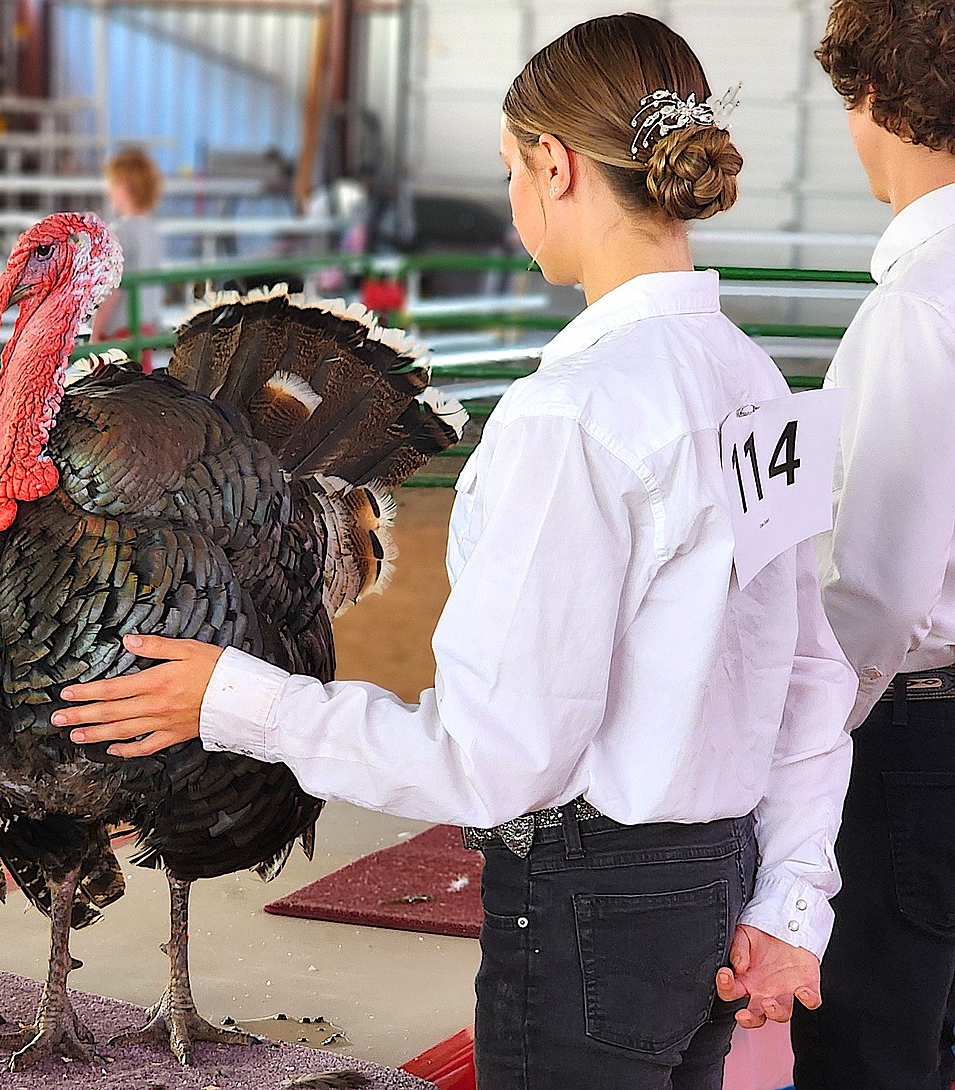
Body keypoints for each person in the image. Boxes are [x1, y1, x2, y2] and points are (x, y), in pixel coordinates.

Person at [53, 15, 857, 1089]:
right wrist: (786, 899)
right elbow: (811, 675)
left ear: (556, 166)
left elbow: (494, 759)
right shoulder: (758, 381)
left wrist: (238, 701)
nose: (516, 202)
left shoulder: (567, 418)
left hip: (592, 914)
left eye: (510, 171)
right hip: (714, 887)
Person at [787, 3, 955, 1088]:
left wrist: (799, 743)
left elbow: (878, 601)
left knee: (871, 1048)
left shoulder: (918, 309)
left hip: (914, 739)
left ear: (878, 100)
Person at [90, 146, 165, 369]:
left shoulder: (121, 233)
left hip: (119, 333)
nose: (109, 191)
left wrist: (95, 333)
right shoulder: (152, 231)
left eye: (112, 184)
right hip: (146, 330)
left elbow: (113, 289)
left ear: (124, 187)